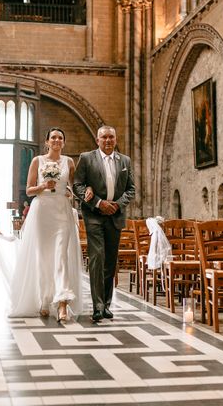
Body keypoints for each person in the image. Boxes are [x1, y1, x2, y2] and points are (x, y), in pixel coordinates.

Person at [9, 127, 82, 322]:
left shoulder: (69, 162)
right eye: (53, 138)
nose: (57, 140)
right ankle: (44, 299)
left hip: (62, 212)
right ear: (47, 141)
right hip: (42, 211)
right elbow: (29, 190)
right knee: (43, 257)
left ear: (63, 142)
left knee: (61, 257)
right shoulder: (37, 161)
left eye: (60, 137)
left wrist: (71, 193)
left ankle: (62, 303)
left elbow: (75, 188)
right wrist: (43, 186)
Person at [73, 125, 135, 322]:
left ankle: (107, 304)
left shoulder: (125, 160)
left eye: (111, 137)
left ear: (115, 140)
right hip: (94, 215)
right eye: (104, 137)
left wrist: (116, 205)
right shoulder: (86, 158)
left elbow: (131, 189)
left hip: (115, 216)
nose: (108, 140)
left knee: (110, 261)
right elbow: (78, 185)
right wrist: (99, 203)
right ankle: (98, 306)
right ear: (97, 140)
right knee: (98, 258)